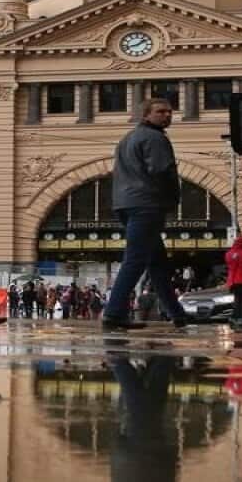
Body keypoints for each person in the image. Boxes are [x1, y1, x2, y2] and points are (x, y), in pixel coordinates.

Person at [102, 98, 186, 331]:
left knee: (157, 263)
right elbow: (162, 170)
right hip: (147, 203)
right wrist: (173, 197)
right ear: (146, 114)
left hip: (126, 203)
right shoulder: (155, 138)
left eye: (170, 112)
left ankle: (177, 313)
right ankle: (114, 312)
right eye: (161, 111)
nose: (167, 115)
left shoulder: (128, 138)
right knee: (136, 259)